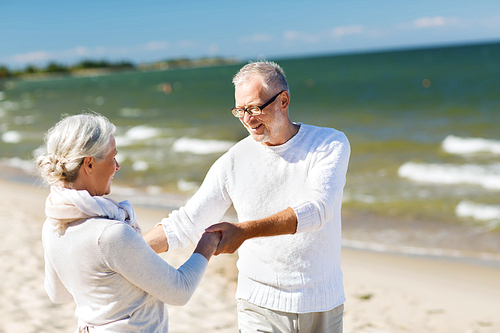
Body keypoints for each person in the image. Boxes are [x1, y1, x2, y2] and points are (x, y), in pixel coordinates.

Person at [145, 61, 351, 333]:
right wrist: (121, 249)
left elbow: (318, 210)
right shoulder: (232, 161)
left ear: (284, 100)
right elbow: (186, 223)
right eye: (240, 110)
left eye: (254, 108)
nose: (248, 119)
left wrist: (244, 231)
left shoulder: (328, 144)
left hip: (323, 302)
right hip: (258, 304)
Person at [36, 113, 221, 332]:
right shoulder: (110, 234)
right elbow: (180, 291)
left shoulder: (53, 225)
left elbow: (58, 294)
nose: (117, 166)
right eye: (112, 157)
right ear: (89, 164)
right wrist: (208, 243)